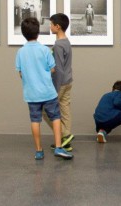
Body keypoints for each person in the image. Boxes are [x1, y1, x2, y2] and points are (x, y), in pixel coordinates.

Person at [16, 17, 73, 160]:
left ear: (23, 33)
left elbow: (21, 73)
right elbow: (53, 69)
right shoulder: (45, 50)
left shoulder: (20, 52)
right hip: (48, 92)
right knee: (56, 117)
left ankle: (39, 151)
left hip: (31, 93)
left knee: (35, 120)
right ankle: (59, 147)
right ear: (38, 32)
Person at [44, 13, 74, 152]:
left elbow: (59, 70)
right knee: (65, 110)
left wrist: (55, 89)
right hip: (69, 81)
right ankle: (65, 142)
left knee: (46, 110)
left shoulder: (58, 45)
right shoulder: (66, 42)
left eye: (51, 24)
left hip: (60, 83)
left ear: (58, 26)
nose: (49, 26)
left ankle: (64, 135)